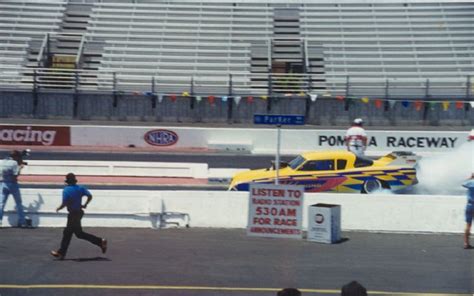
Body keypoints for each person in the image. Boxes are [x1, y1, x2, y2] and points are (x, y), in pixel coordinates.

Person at [51, 173, 107, 260]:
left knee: (67, 233)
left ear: (67, 181)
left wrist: (59, 208)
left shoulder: (66, 190)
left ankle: (61, 253)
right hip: (79, 213)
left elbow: (65, 203)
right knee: (78, 234)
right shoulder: (81, 188)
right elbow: (90, 196)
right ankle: (100, 241)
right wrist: (85, 204)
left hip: (73, 214)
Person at [0, 150, 27, 227]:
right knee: (18, 203)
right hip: (12, 184)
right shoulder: (14, 163)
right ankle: (22, 221)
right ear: (16, 157)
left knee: (1, 203)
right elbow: (15, 175)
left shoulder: (3, 161)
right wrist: (20, 168)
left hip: (3, 183)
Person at [462, 173, 474, 249]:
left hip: (470, 205)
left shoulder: (470, 183)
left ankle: (466, 243)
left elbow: (463, 184)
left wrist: (470, 178)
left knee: (468, 225)